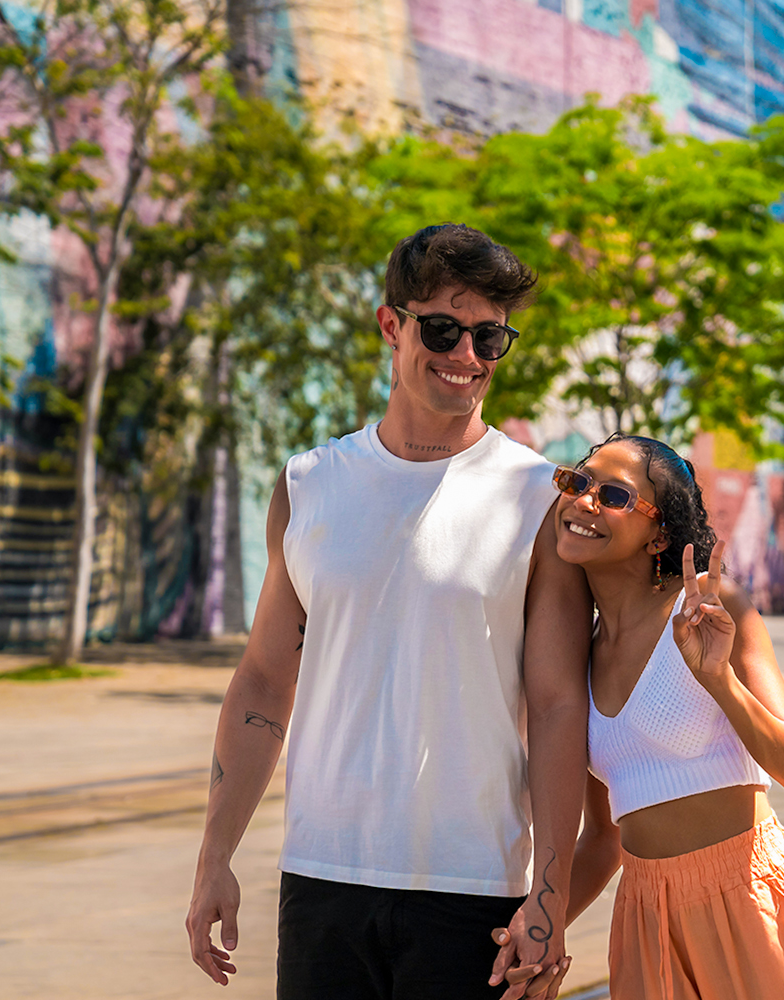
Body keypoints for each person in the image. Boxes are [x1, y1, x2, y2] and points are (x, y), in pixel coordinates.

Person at [185, 224, 591, 1000]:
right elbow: (266, 681)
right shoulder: (309, 485)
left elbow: (556, 704)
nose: (466, 355)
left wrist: (552, 890)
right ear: (390, 326)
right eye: (442, 328)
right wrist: (214, 857)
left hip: (474, 889)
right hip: (321, 878)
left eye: (489, 338)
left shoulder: (537, 498)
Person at [534, 433, 784, 999]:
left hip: (749, 900)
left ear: (659, 532)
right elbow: (602, 842)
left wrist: (720, 679)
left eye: (614, 495)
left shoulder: (711, 608)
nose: (584, 501)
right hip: (645, 920)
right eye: (578, 482)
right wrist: (539, 934)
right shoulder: (579, 659)